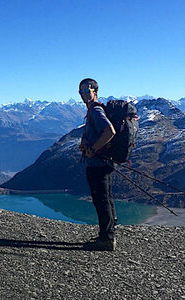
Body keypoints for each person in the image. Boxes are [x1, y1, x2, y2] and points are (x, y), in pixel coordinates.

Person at [79, 78, 117, 251]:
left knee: (101, 200)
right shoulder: (92, 111)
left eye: (87, 91)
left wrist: (93, 149)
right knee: (105, 199)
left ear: (95, 91)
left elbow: (110, 131)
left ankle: (106, 239)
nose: (84, 95)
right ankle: (107, 234)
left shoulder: (95, 111)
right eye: (81, 92)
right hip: (103, 162)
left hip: (98, 164)